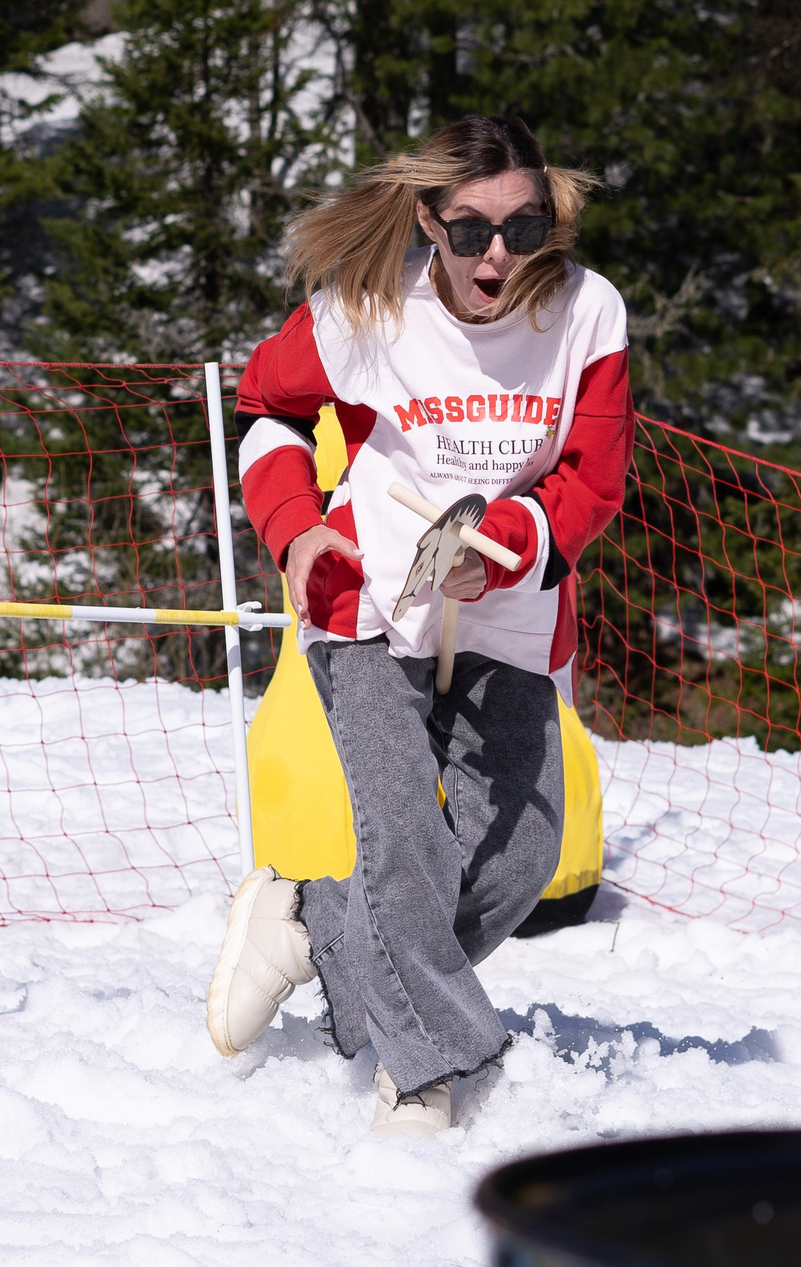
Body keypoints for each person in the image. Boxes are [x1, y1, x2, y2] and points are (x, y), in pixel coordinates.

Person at [202, 114, 629, 1137]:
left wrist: (517, 541)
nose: (498, 256)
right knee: (403, 846)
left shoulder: (585, 313)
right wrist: (295, 528)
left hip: (510, 604)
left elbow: (596, 475)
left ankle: (307, 920)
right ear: (426, 219)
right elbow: (263, 408)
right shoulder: (365, 311)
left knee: (522, 857)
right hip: (365, 596)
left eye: (525, 228)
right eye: (473, 229)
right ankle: (430, 1074)